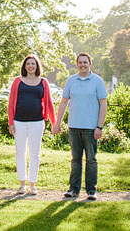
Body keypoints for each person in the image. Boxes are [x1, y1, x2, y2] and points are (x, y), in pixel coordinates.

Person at [52, 52, 107, 201]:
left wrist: (99, 127)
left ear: (90, 63)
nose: (82, 65)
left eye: (85, 62)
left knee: (91, 160)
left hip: (91, 128)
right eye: (80, 62)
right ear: (77, 64)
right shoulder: (71, 80)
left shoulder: (97, 81)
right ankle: (73, 189)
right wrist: (58, 122)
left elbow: (103, 104)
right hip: (74, 127)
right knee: (75, 159)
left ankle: (91, 191)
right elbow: (63, 102)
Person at [7, 55, 56, 195]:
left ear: (36, 66)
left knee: (35, 153)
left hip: (37, 122)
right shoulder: (18, 81)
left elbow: (49, 103)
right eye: (28, 64)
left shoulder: (44, 82)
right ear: (24, 66)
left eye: (33, 64)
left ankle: (32, 185)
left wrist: (54, 122)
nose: (30, 66)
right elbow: (11, 103)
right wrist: (11, 123)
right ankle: (22, 184)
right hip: (19, 122)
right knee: (20, 152)